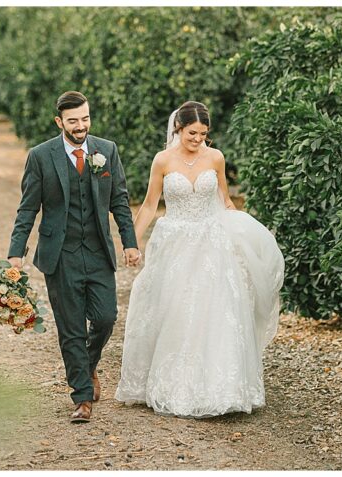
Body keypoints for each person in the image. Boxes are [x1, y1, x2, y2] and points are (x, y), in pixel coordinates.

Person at [115, 101, 285, 418]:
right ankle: (175, 387)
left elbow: (225, 200)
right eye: (192, 133)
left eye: (204, 133)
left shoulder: (215, 157)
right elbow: (151, 205)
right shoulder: (162, 160)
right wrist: (132, 241)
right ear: (178, 128)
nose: (198, 139)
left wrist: (241, 233)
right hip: (175, 243)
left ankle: (222, 388)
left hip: (211, 243)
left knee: (216, 312)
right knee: (176, 311)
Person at [7, 91, 140, 423]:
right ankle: (82, 397)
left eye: (85, 119)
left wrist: (130, 242)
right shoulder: (40, 156)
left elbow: (120, 201)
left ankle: (88, 365)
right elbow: (28, 208)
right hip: (60, 256)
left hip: (97, 252)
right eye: (73, 121)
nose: (81, 126)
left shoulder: (106, 150)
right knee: (70, 329)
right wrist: (15, 253)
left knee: (107, 317)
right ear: (59, 122)